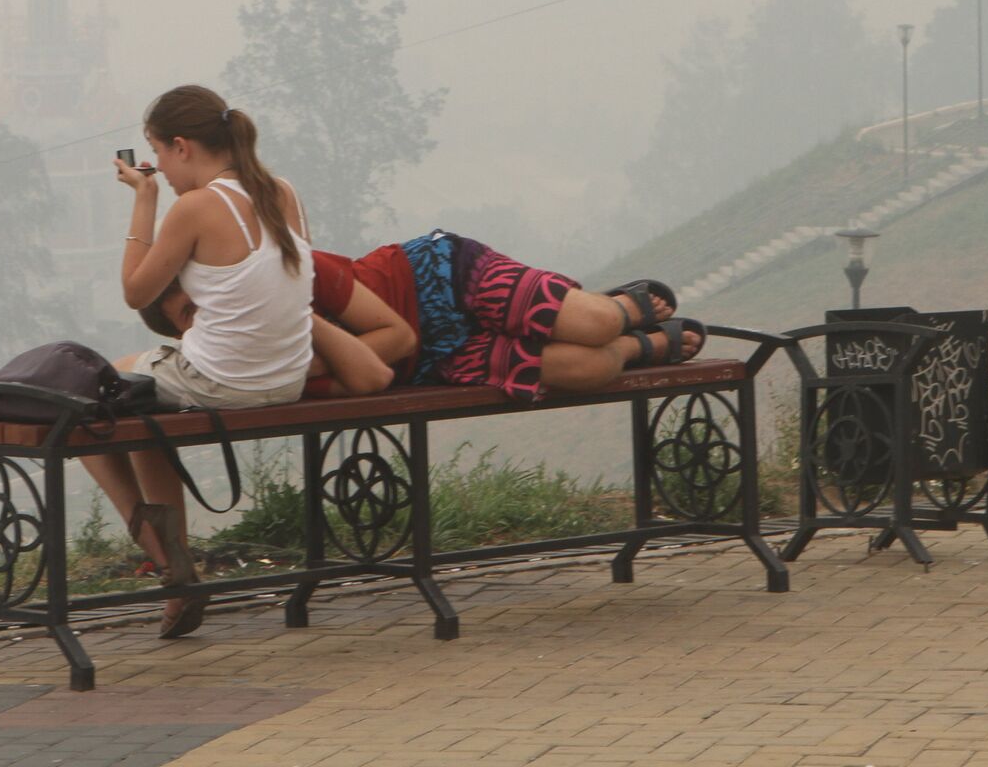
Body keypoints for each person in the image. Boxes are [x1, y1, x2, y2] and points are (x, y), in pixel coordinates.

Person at [83, 84, 317, 640]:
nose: (158, 166)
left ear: (182, 146)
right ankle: (173, 563)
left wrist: (144, 200)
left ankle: (168, 564)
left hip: (224, 383)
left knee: (98, 393)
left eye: (159, 153)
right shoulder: (282, 192)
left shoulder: (196, 205)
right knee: (139, 402)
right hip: (288, 378)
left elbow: (137, 292)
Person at [143, 232, 703, 402]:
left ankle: (621, 308)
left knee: (597, 326)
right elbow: (356, 378)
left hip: (435, 278)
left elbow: (395, 333)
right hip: (436, 362)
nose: (200, 320)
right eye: (185, 324)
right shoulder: (245, 359)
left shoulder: (290, 270)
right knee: (591, 367)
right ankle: (642, 345)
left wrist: (317, 355)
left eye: (193, 303)